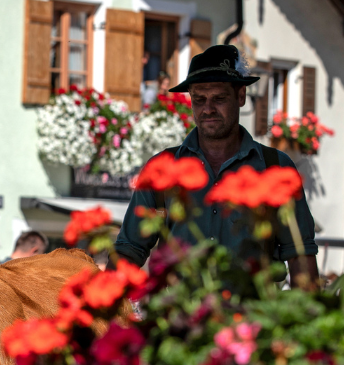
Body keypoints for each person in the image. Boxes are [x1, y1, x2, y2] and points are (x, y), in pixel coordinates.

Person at [114, 45, 321, 288]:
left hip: (251, 310)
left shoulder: (275, 168)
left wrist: (305, 308)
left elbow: (300, 255)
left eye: (219, 98)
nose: (208, 109)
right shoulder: (162, 169)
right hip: (180, 310)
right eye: (199, 99)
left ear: (241, 96)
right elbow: (129, 249)